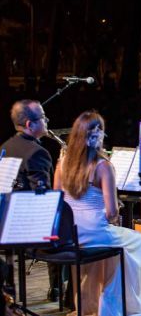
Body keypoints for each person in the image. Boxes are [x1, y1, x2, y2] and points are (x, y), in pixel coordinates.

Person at [54, 111, 141, 316]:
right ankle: (127, 304)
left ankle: (92, 303)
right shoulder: (103, 166)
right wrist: (111, 212)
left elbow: (57, 204)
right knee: (137, 240)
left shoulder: (61, 164)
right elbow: (112, 212)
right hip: (94, 232)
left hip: (70, 234)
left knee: (118, 242)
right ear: (99, 135)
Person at [0, 100, 60, 301]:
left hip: (5, 221)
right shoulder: (37, 152)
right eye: (43, 117)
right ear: (29, 124)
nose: (47, 120)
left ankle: (10, 294)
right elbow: (42, 199)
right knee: (67, 228)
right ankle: (60, 290)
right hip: (25, 225)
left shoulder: (5, 147)